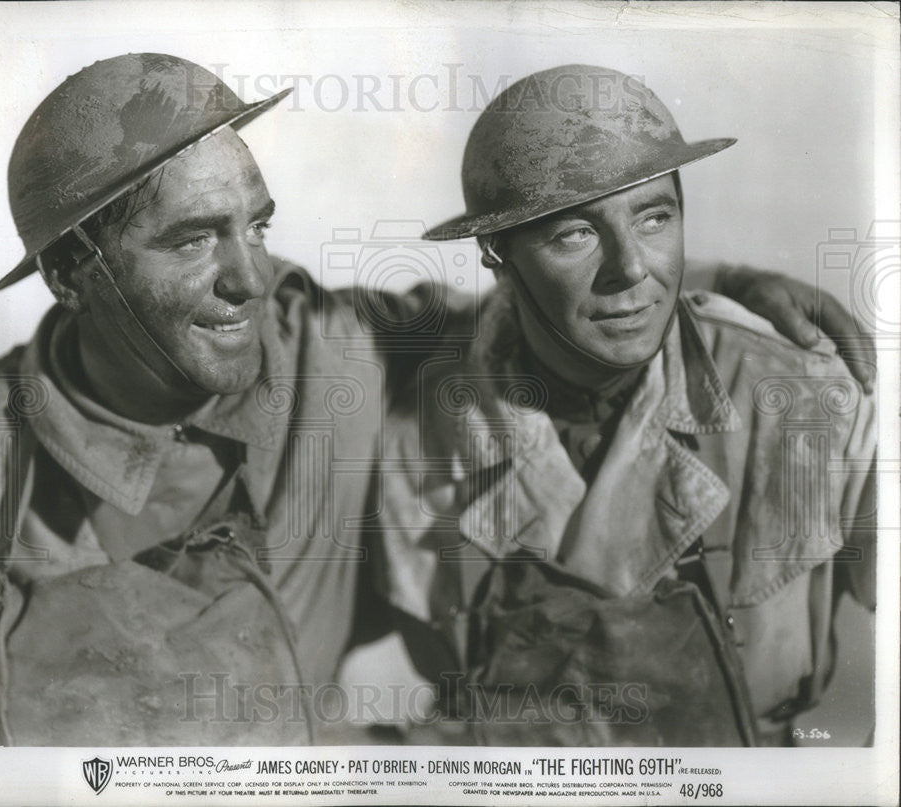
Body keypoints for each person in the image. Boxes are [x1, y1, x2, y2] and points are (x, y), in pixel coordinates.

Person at [0, 54, 872, 747]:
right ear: (69, 271)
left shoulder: (328, 352)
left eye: (256, 227)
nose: (249, 278)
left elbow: (554, 306)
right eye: (190, 242)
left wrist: (724, 280)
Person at [372, 64, 876, 746]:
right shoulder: (425, 436)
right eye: (574, 234)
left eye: (654, 216)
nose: (633, 268)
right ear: (497, 253)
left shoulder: (806, 399)